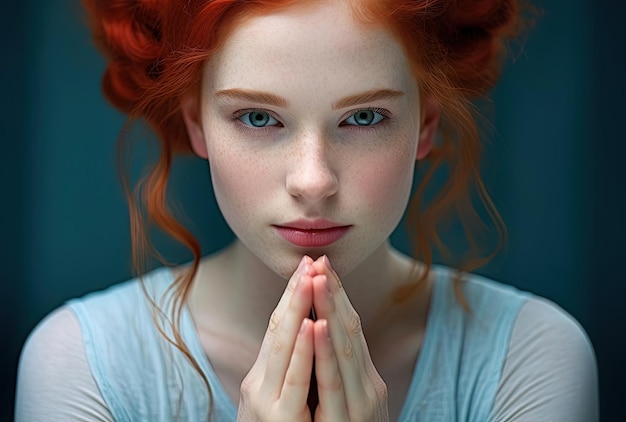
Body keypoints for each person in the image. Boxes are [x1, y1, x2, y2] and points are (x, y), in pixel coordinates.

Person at [15, 0, 598, 420]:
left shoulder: (527, 359)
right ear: (196, 121)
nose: (313, 181)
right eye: (258, 118)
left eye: (365, 117)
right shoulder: (85, 366)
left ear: (426, 121)